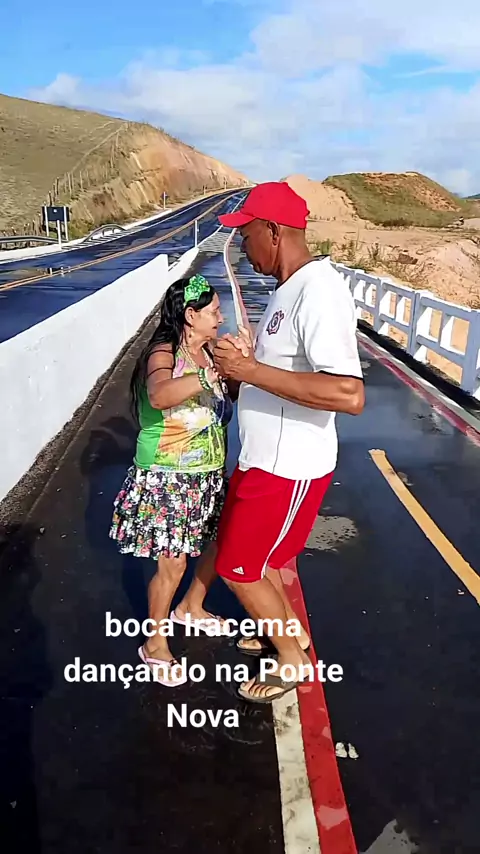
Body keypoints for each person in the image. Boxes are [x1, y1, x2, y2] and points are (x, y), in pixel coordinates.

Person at [213, 181, 365, 703]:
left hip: (286, 467)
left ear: (274, 232)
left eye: (247, 234)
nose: (242, 245)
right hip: (266, 459)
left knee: (237, 568)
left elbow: (347, 392)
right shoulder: (287, 289)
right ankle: (286, 632)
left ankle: (293, 661)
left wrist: (250, 370)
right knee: (262, 563)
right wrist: (243, 372)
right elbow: (282, 377)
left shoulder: (318, 291)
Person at [109, 274, 234, 686]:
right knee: (173, 563)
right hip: (169, 475)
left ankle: (191, 608)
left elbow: (226, 398)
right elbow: (160, 395)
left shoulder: (209, 352)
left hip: (208, 473)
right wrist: (208, 377)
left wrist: (238, 368)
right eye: (214, 311)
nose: (221, 318)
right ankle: (154, 643)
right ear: (190, 315)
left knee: (220, 543)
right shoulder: (163, 353)